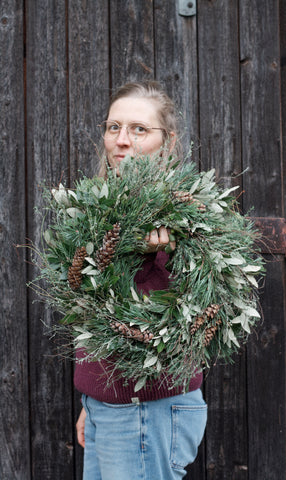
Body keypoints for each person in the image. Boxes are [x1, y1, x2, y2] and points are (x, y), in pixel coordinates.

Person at [74, 81, 207, 480]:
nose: (122, 140)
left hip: (146, 408)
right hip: (109, 406)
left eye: (138, 129)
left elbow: (186, 316)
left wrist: (158, 255)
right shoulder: (105, 207)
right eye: (113, 127)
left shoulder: (182, 212)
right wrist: (93, 398)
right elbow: (99, 312)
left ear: (167, 143)